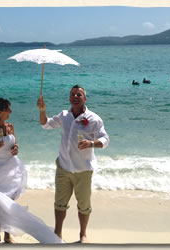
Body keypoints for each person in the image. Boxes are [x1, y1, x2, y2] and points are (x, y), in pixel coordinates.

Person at [0, 97, 63, 244]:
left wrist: (15, 149)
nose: (10, 111)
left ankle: (7, 235)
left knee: (9, 203)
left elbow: (14, 145)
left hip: (11, 168)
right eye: (8, 109)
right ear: (0, 112)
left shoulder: (10, 126)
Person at [37, 85, 109, 243]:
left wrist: (91, 143)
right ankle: (57, 233)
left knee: (84, 205)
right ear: (69, 98)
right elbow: (46, 124)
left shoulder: (94, 119)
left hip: (83, 169)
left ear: (85, 99)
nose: (75, 96)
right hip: (63, 167)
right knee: (60, 203)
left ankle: (83, 235)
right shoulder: (64, 115)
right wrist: (42, 110)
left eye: (79, 94)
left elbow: (105, 140)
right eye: (72, 94)